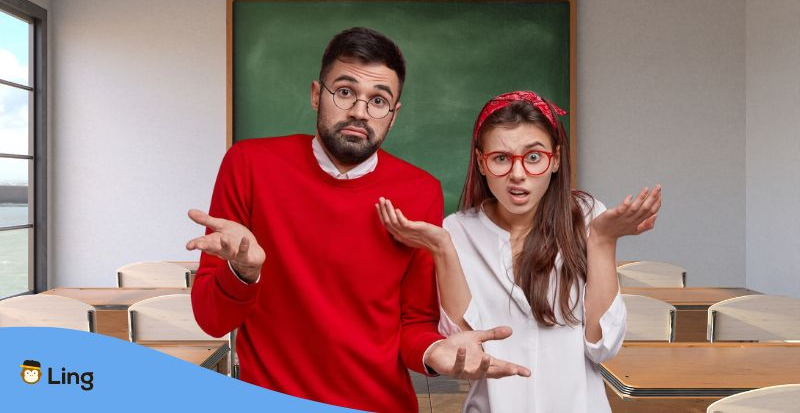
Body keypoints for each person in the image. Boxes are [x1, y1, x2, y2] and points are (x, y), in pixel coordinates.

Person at [185, 28, 530, 413]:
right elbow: (212, 321)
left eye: (378, 100)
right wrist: (242, 273)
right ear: (318, 94)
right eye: (345, 92)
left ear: (393, 114)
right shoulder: (249, 165)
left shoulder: (420, 191)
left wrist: (435, 351)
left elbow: (414, 322)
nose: (360, 112)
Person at [377, 91, 662, 412]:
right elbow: (468, 349)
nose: (518, 174)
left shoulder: (587, 215)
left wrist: (603, 240)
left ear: (555, 159)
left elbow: (603, 347)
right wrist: (442, 248)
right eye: (501, 158)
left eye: (534, 157)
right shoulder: (457, 230)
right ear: (481, 163)